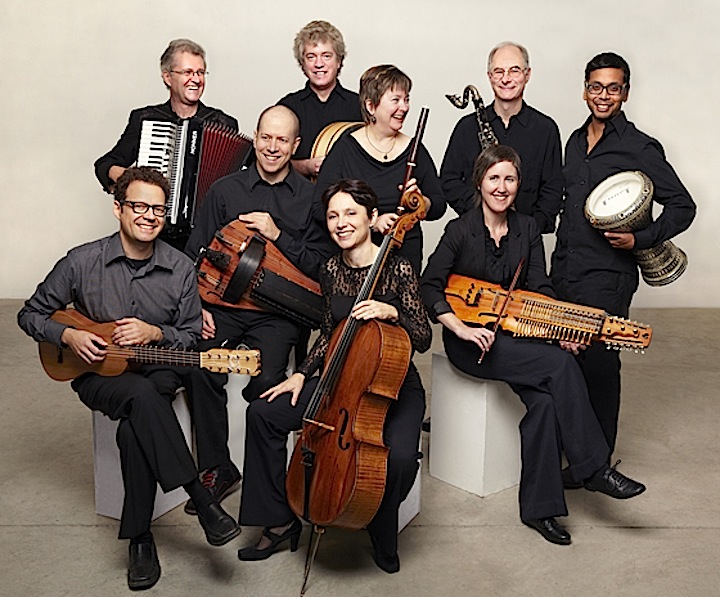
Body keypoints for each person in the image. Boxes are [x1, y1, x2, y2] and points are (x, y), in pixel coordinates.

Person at [17, 167, 241, 591]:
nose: (149, 216)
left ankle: (140, 539)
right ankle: (201, 498)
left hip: (158, 368)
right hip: (98, 374)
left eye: (157, 209)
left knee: (136, 423)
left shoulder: (180, 268)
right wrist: (68, 335)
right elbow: (30, 314)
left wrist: (155, 332)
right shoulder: (81, 261)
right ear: (118, 208)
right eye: (138, 206)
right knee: (138, 397)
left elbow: (190, 336)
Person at [421, 145, 646, 546]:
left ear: (518, 184)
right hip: (472, 344)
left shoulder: (527, 229)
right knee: (560, 366)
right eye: (494, 178)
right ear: (479, 182)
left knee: (544, 403)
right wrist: (460, 328)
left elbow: (540, 287)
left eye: (509, 179)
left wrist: (559, 327)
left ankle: (539, 510)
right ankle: (595, 468)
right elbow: (428, 286)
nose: (501, 187)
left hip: (516, 337)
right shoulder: (459, 230)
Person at [237, 179, 431, 573]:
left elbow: (424, 337)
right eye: (332, 216)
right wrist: (301, 374)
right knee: (263, 413)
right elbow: (330, 333)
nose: (341, 223)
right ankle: (278, 521)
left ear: (372, 217)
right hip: (339, 380)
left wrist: (392, 312)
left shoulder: (398, 267)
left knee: (399, 459)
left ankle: (380, 526)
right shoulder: (329, 269)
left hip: (391, 386)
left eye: (350, 213)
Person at [181, 105, 333, 516]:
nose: (272, 147)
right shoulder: (225, 190)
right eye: (266, 137)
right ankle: (218, 468)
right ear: (255, 137)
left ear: (295, 145)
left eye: (282, 140)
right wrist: (196, 307)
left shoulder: (311, 199)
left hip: (277, 315)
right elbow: (194, 253)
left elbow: (321, 267)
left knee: (266, 383)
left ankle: (267, 478)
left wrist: (277, 233)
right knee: (200, 365)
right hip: (223, 307)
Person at [550, 52, 696, 463]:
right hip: (565, 271)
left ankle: (596, 463)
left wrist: (640, 239)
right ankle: (572, 455)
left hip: (608, 277)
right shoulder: (574, 142)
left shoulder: (639, 147)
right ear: (584, 91)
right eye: (596, 87)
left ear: (625, 93)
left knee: (599, 367)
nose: (604, 95)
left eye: (613, 88)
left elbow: (683, 206)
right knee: (566, 366)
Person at [94, 39, 238, 248]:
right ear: (168, 77)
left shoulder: (223, 124)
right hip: (157, 233)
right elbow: (105, 164)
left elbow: (234, 182)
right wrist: (134, 180)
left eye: (200, 72)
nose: (196, 79)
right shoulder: (146, 119)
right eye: (187, 72)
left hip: (206, 235)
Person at [313, 64, 446, 273]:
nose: (404, 107)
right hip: (356, 260)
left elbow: (439, 204)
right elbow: (318, 208)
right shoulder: (345, 148)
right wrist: (371, 224)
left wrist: (421, 202)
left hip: (405, 257)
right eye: (396, 100)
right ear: (371, 106)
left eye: (406, 99)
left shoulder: (415, 149)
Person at [440, 41, 562, 233]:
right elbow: (449, 180)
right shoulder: (466, 127)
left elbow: (553, 189)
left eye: (514, 71)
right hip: (474, 235)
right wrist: (481, 216)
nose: (506, 79)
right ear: (489, 76)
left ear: (527, 75)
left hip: (526, 238)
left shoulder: (546, 129)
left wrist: (529, 229)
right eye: (498, 72)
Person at [278, 20, 363, 179]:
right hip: (298, 193)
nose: (319, 64)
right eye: (311, 57)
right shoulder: (287, 107)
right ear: (303, 64)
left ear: (339, 61)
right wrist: (305, 167)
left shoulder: (359, 106)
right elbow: (271, 159)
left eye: (326, 56)